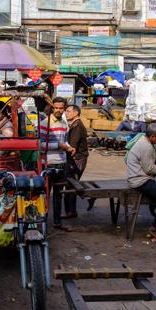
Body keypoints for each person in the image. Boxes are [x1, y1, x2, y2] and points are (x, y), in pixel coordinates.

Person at [40, 97, 75, 231]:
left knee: (58, 194)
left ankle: (57, 222)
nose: (59, 110)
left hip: (62, 162)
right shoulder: (45, 123)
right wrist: (59, 145)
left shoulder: (64, 123)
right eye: (56, 108)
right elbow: (41, 145)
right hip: (49, 164)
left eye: (61, 108)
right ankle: (43, 222)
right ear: (52, 108)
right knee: (45, 195)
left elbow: (64, 141)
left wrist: (69, 147)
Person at [64, 104, 89, 219]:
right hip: (77, 158)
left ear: (76, 113)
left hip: (77, 159)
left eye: (68, 111)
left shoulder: (77, 126)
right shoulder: (74, 125)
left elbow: (72, 147)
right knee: (70, 184)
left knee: (71, 184)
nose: (66, 113)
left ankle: (71, 211)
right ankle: (70, 211)